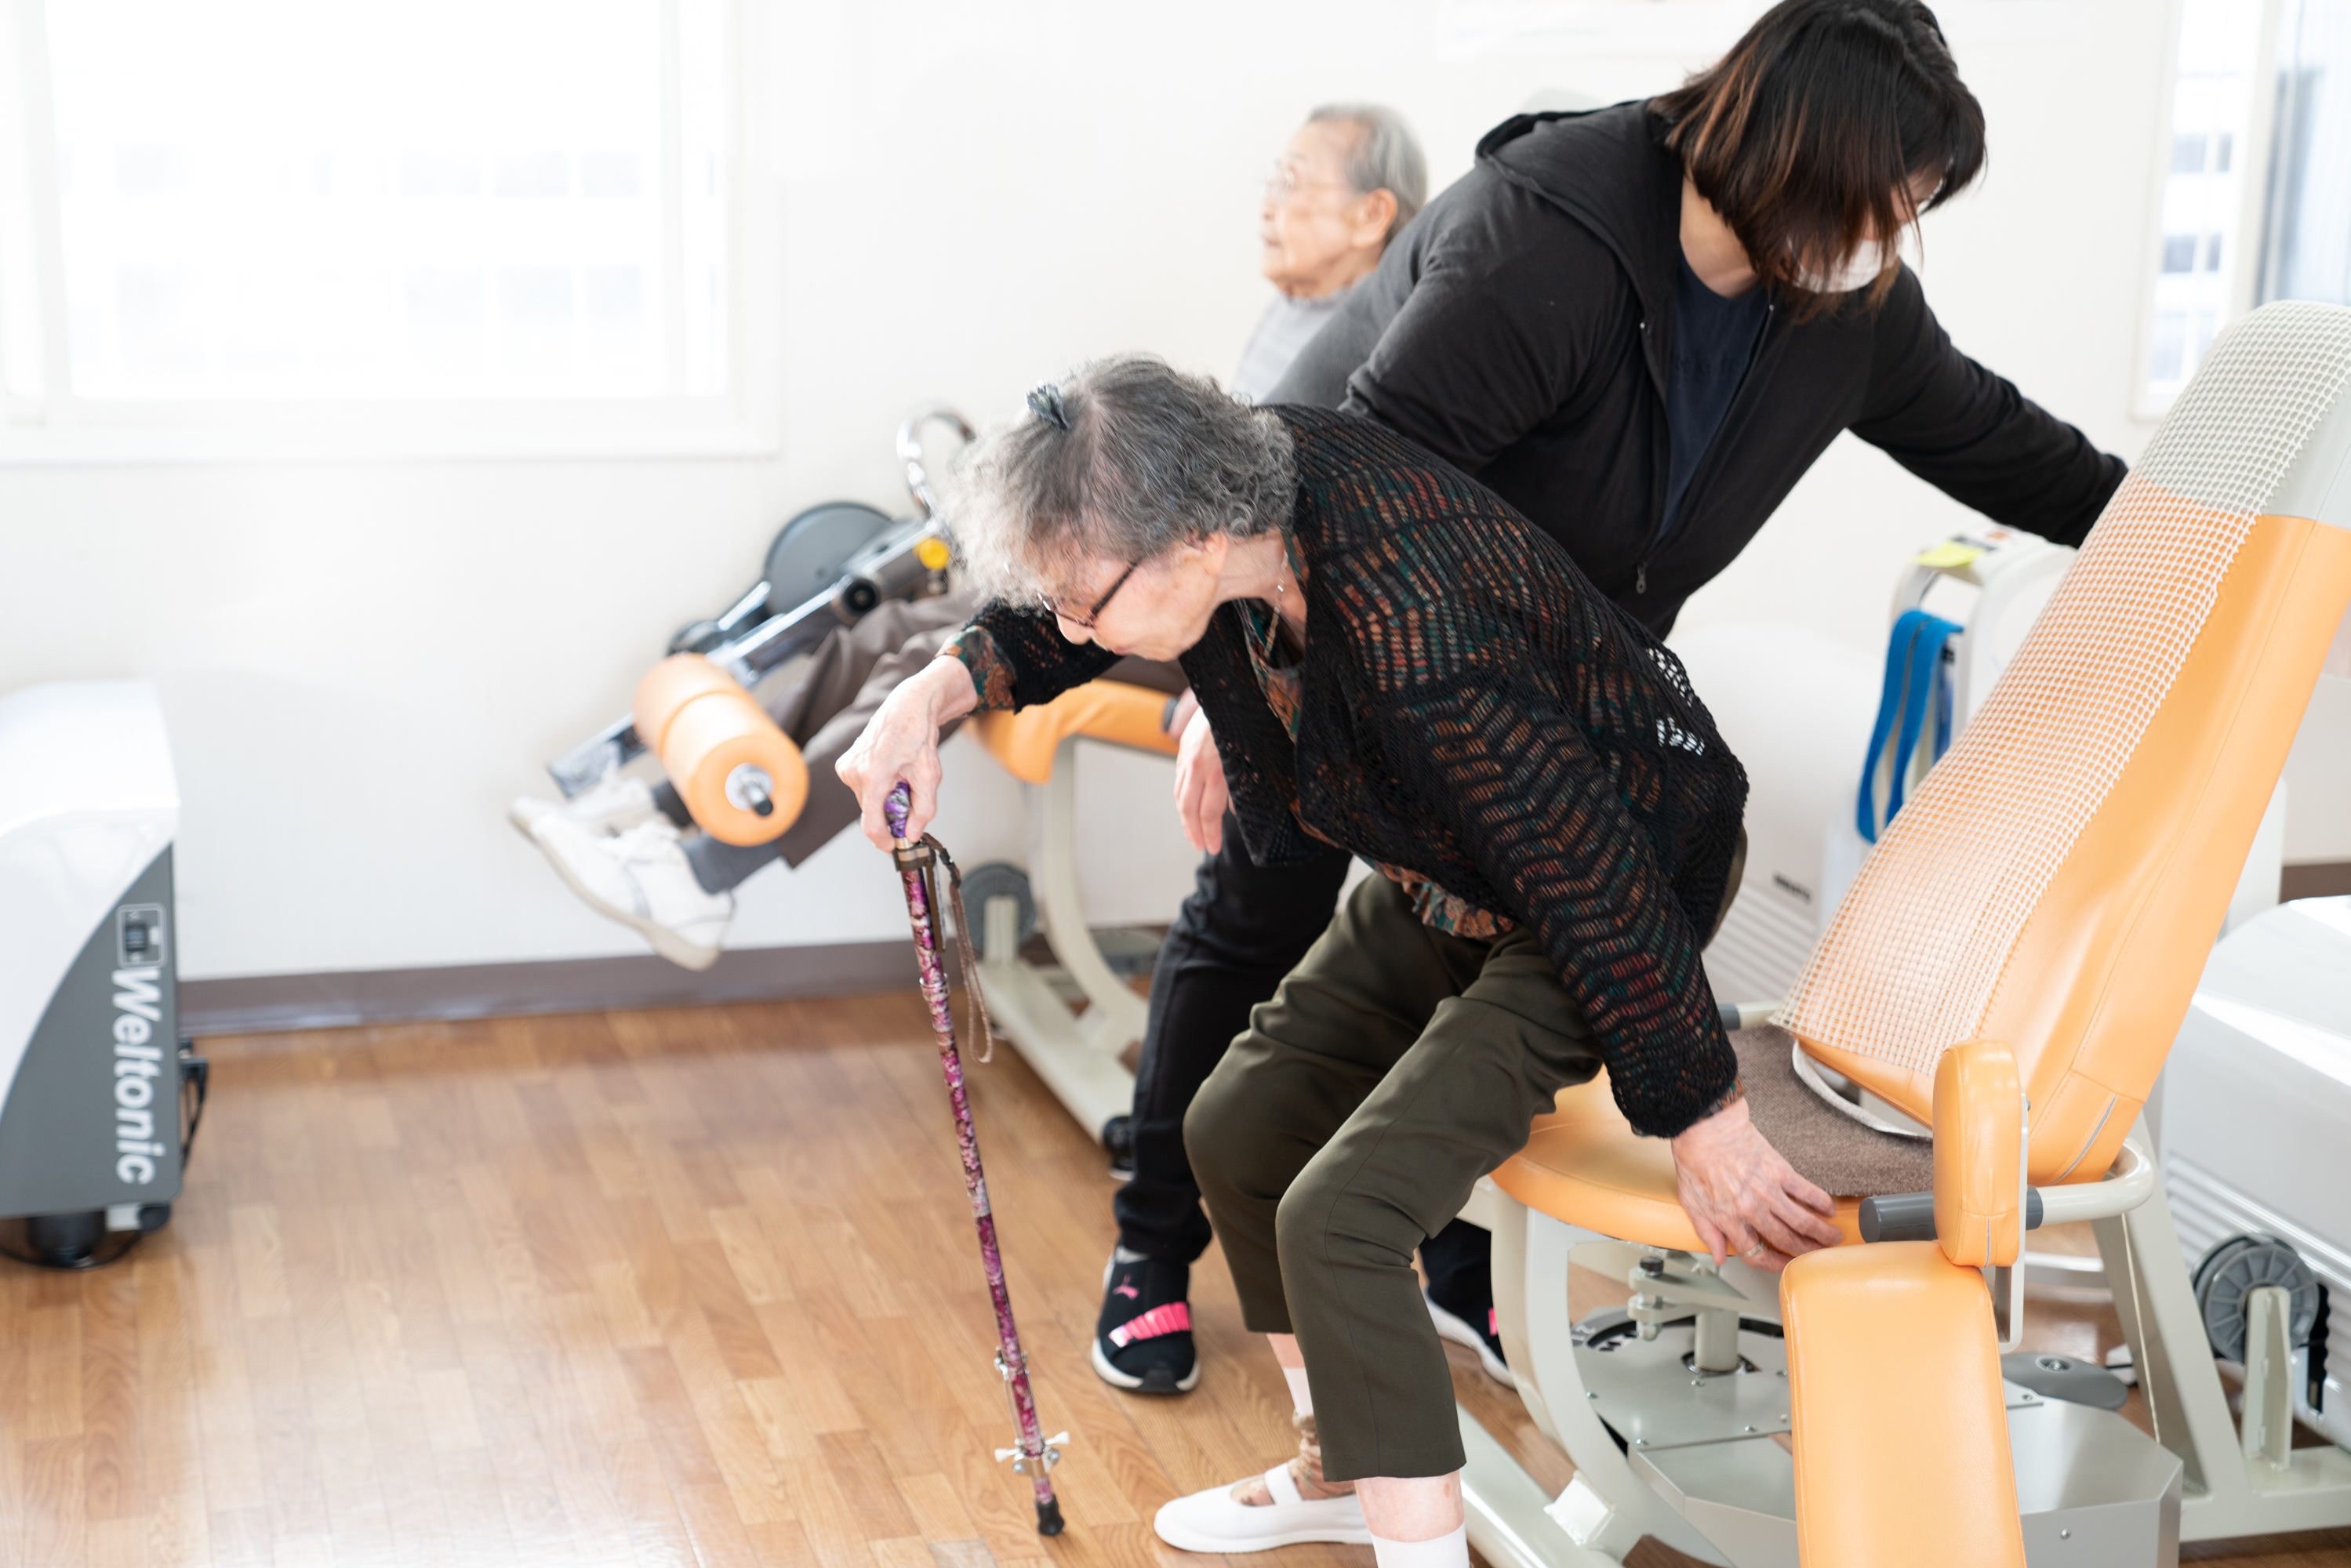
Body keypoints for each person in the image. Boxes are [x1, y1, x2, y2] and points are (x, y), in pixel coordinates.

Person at [1110, 0, 2133, 1520]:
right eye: (1882, 201)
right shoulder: (1546, 240)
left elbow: (1998, 440)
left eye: (1912, 211)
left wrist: (2194, 533)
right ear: (1790, 154)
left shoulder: (1841, 309)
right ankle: (1172, 1259)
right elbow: (1351, 464)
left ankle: (1418, 1307)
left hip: (1559, 756)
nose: (1890, 241)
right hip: (1379, 672)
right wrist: (1238, 677)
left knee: (1409, 1101)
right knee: (1251, 1003)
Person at [837, 355, 1834, 1568]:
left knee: (1342, 1216)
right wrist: (927, 698)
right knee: (1237, 1128)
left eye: (1087, 603)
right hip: (1459, 871)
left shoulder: (1423, 637)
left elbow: (1594, 882)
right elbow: (1064, 623)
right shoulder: (1246, 488)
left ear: (1195, 545)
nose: (1074, 629)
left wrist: (1703, 1113)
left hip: (1614, 886)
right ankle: (1344, 1468)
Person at [505, 103, 1424, 978]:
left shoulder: (1384, 349)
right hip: (1165, 586)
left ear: (1371, 214)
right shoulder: (1295, 314)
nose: (1267, 202)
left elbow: (1311, 552)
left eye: (1294, 181)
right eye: (1271, 178)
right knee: (893, 624)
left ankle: (707, 875)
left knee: (937, 647)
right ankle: (671, 813)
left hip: (1208, 624)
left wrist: (1242, 686)